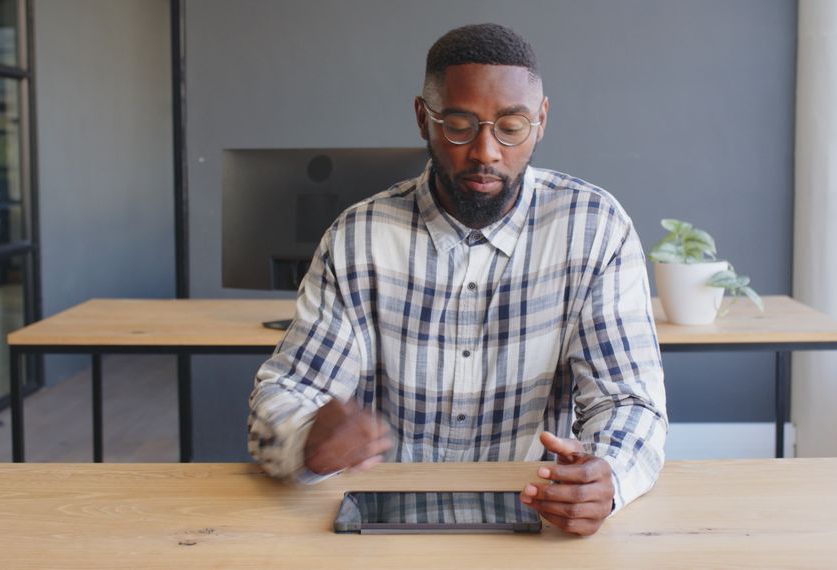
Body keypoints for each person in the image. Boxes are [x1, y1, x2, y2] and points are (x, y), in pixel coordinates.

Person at [248, 23, 667, 536]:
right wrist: (307, 437)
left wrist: (609, 477)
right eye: (460, 126)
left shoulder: (594, 229)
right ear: (423, 118)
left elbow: (628, 401)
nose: (486, 152)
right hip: (384, 529)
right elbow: (288, 391)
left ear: (541, 121)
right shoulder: (359, 238)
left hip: (535, 524)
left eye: (511, 126)